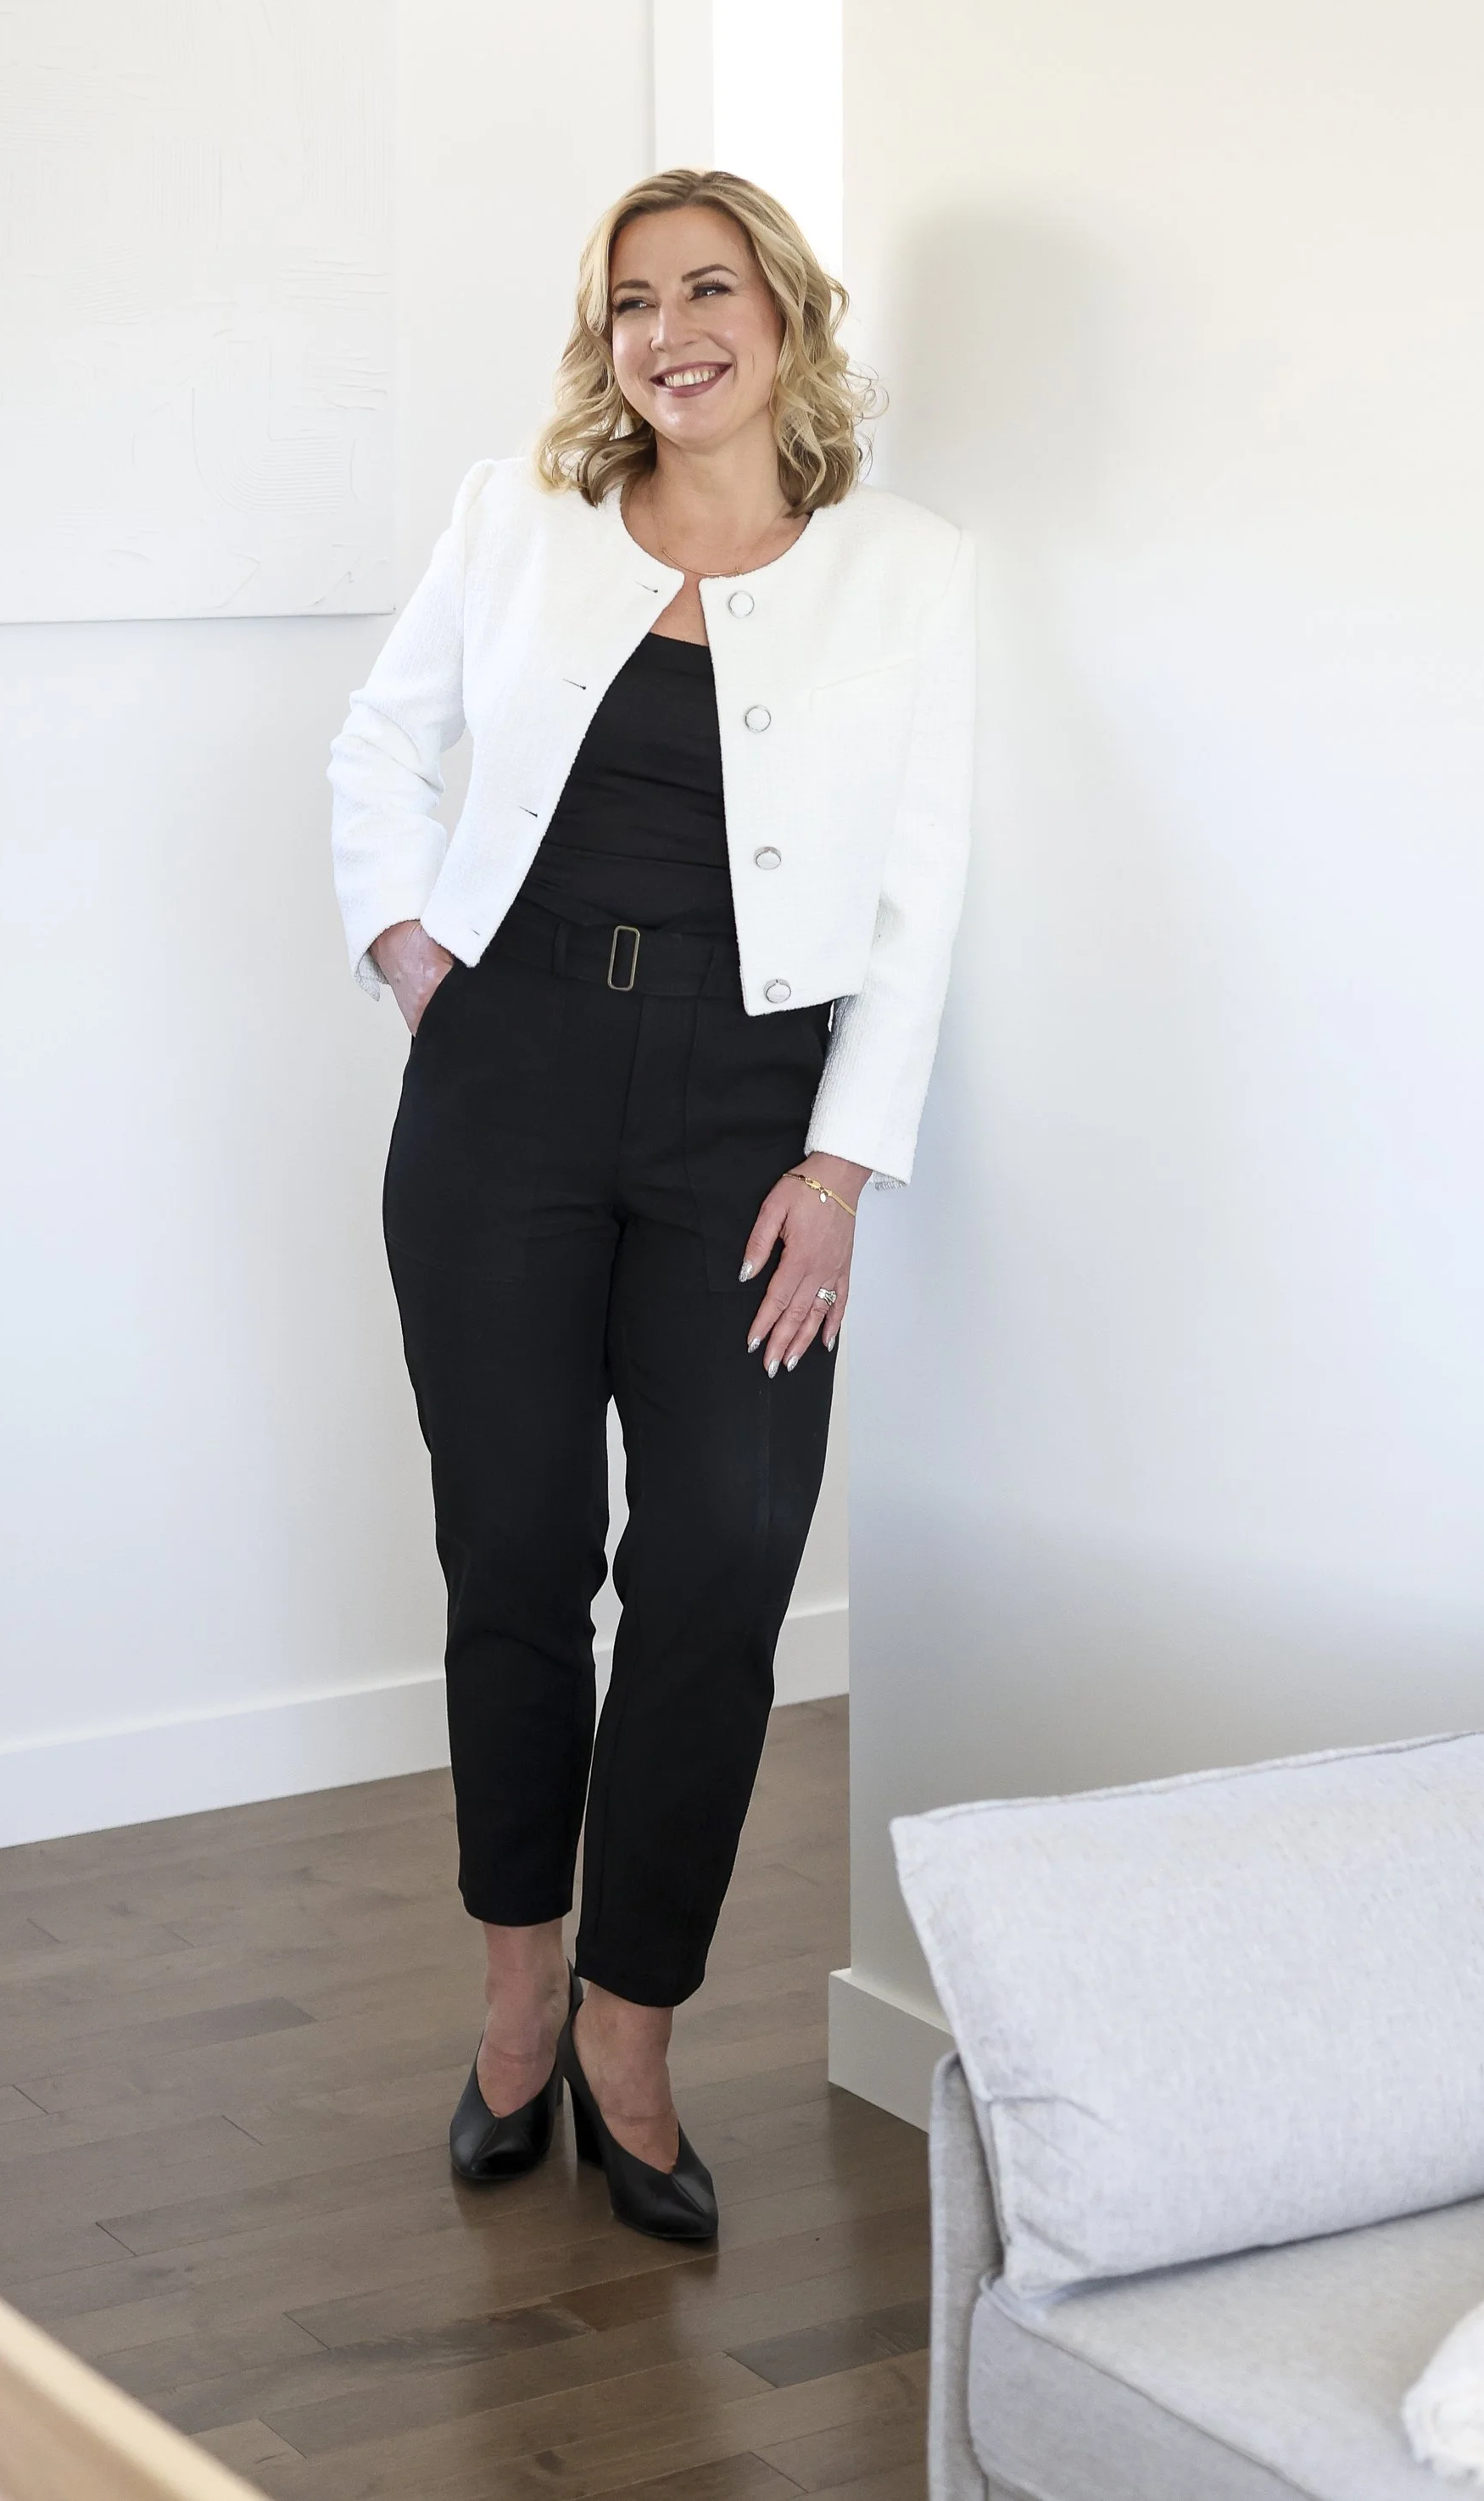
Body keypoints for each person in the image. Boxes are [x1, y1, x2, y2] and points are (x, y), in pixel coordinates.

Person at [329, 166, 974, 2245]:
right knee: (513, 1552)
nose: (668, 331)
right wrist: (412, 957)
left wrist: (842, 1164)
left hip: (748, 1111)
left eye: (707, 290)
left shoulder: (908, 572)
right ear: (601, 338)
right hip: (503, 1084)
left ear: (784, 318)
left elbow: (918, 892)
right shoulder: (513, 517)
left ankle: (635, 2020)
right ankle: (517, 1996)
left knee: (720, 1557)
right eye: (631, 301)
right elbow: (381, 743)